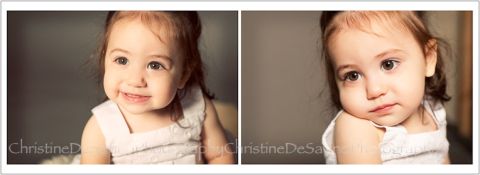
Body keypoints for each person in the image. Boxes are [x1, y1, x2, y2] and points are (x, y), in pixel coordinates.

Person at [80, 11, 234, 164]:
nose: (135, 81)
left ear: (183, 75)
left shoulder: (198, 107)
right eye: (122, 60)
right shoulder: (101, 128)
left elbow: (219, 156)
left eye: (155, 65)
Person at [320, 11, 451, 164]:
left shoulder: (433, 110)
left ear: (428, 58)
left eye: (388, 64)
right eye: (353, 75)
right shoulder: (355, 127)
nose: (374, 90)